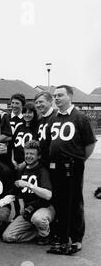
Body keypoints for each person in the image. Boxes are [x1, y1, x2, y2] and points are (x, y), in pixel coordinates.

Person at [46, 85, 97, 255]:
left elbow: (89, 144)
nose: (57, 98)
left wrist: (79, 160)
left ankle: (76, 239)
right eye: (55, 96)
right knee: (59, 202)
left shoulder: (80, 117)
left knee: (74, 202)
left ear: (70, 96)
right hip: (55, 166)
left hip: (73, 165)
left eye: (60, 95)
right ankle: (61, 238)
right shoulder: (53, 119)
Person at [2, 140, 55, 244]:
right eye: (27, 153)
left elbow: (48, 195)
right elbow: (19, 192)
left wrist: (28, 185)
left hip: (44, 208)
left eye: (32, 154)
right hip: (28, 211)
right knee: (7, 236)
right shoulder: (21, 170)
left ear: (38, 156)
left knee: (38, 219)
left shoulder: (42, 171)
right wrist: (21, 206)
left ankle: (45, 234)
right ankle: (37, 233)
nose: (28, 156)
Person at [12, 102, 39, 170]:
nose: (27, 115)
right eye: (25, 112)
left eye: (29, 113)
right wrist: (12, 160)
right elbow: (12, 144)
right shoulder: (19, 126)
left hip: (29, 164)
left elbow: (37, 148)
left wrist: (25, 163)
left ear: (34, 114)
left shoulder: (37, 128)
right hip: (15, 164)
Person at [35, 91, 57, 168]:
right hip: (43, 162)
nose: (38, 105)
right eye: (36, 102)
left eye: (41, 102)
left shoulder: (57, 117)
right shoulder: (39, 120)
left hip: (56, 163)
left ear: (50, 102)